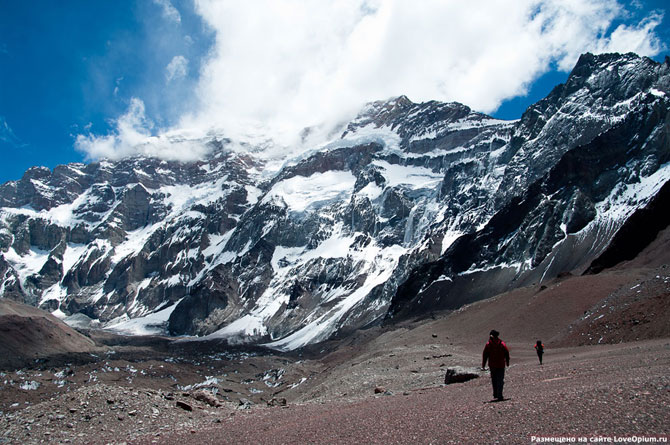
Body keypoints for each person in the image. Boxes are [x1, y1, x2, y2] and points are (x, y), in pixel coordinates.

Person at [481, 329, 510, 401]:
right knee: (500, 379)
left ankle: (496, 394)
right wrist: (507, 362)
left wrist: (483, 365)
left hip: (492, 365)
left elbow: (485, 355)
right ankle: (499, 395)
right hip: (500, 364)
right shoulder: (502, 343)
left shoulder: (488, 344)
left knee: (494, 380)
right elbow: (506, 353)